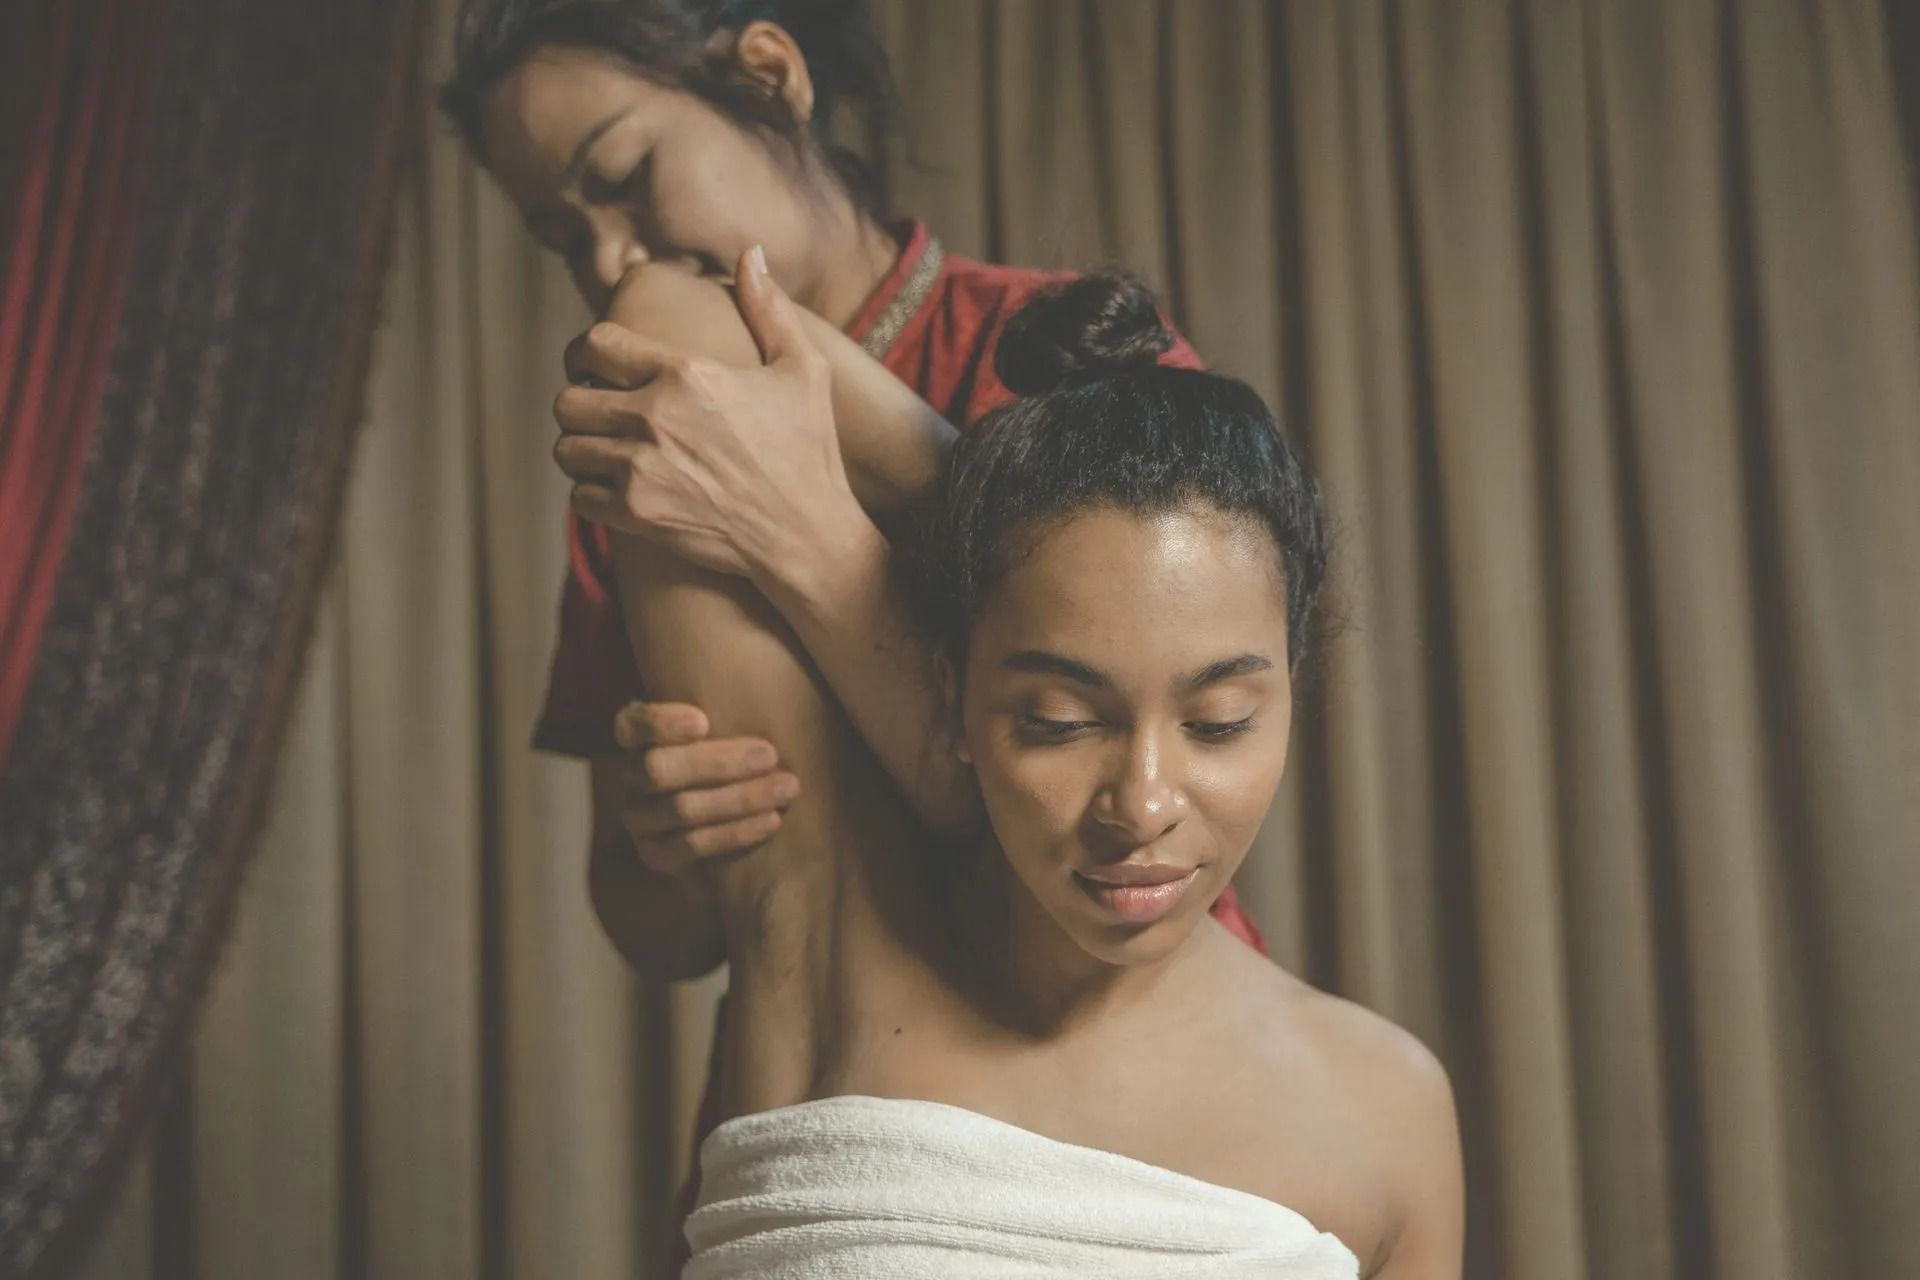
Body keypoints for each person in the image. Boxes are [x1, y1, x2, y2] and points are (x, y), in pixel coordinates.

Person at [439, 0, 1271, 1227]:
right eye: (565, 233)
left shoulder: (1063, 354)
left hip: (1130, 1087)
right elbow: (649, 925)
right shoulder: (642, 455)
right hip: (825, 1116)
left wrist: (800, 533)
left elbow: (1129, 795)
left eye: (623, 177)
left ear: (769, 76)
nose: (610, 262)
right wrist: (672, 846)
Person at [585, 268, 1464, 1277]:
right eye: (1058, 721)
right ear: (951, 694)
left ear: (1291, 692)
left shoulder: (1386, 1109)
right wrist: (998, 505)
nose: (1142, 805)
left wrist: (1042, 504)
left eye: (1218, 724)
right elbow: (671, 322)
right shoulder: (821, 936)